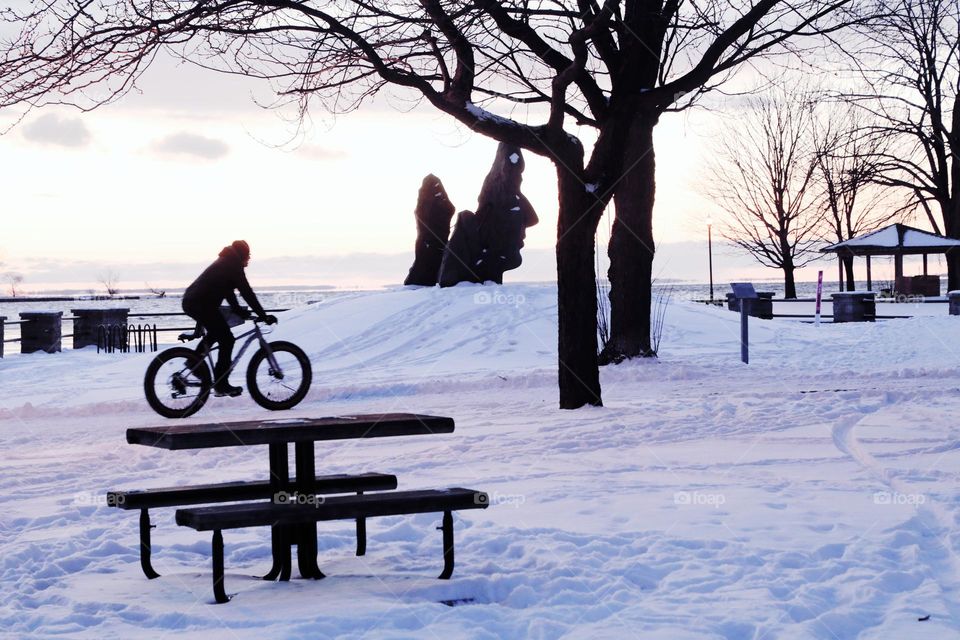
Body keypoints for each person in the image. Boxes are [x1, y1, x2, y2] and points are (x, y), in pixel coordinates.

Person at [182, 240, 276, 397]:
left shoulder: (226, 262)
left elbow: (228, 292)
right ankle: (221, 384)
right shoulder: (232, 265)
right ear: (242, 254)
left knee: (215, 333)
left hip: (194, 301)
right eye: (248, 255)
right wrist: (263, 315)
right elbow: (246, 292)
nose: (249, 259)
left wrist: (239, 311)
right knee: (227, 340)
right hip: (200, 303)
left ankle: (194, 363)